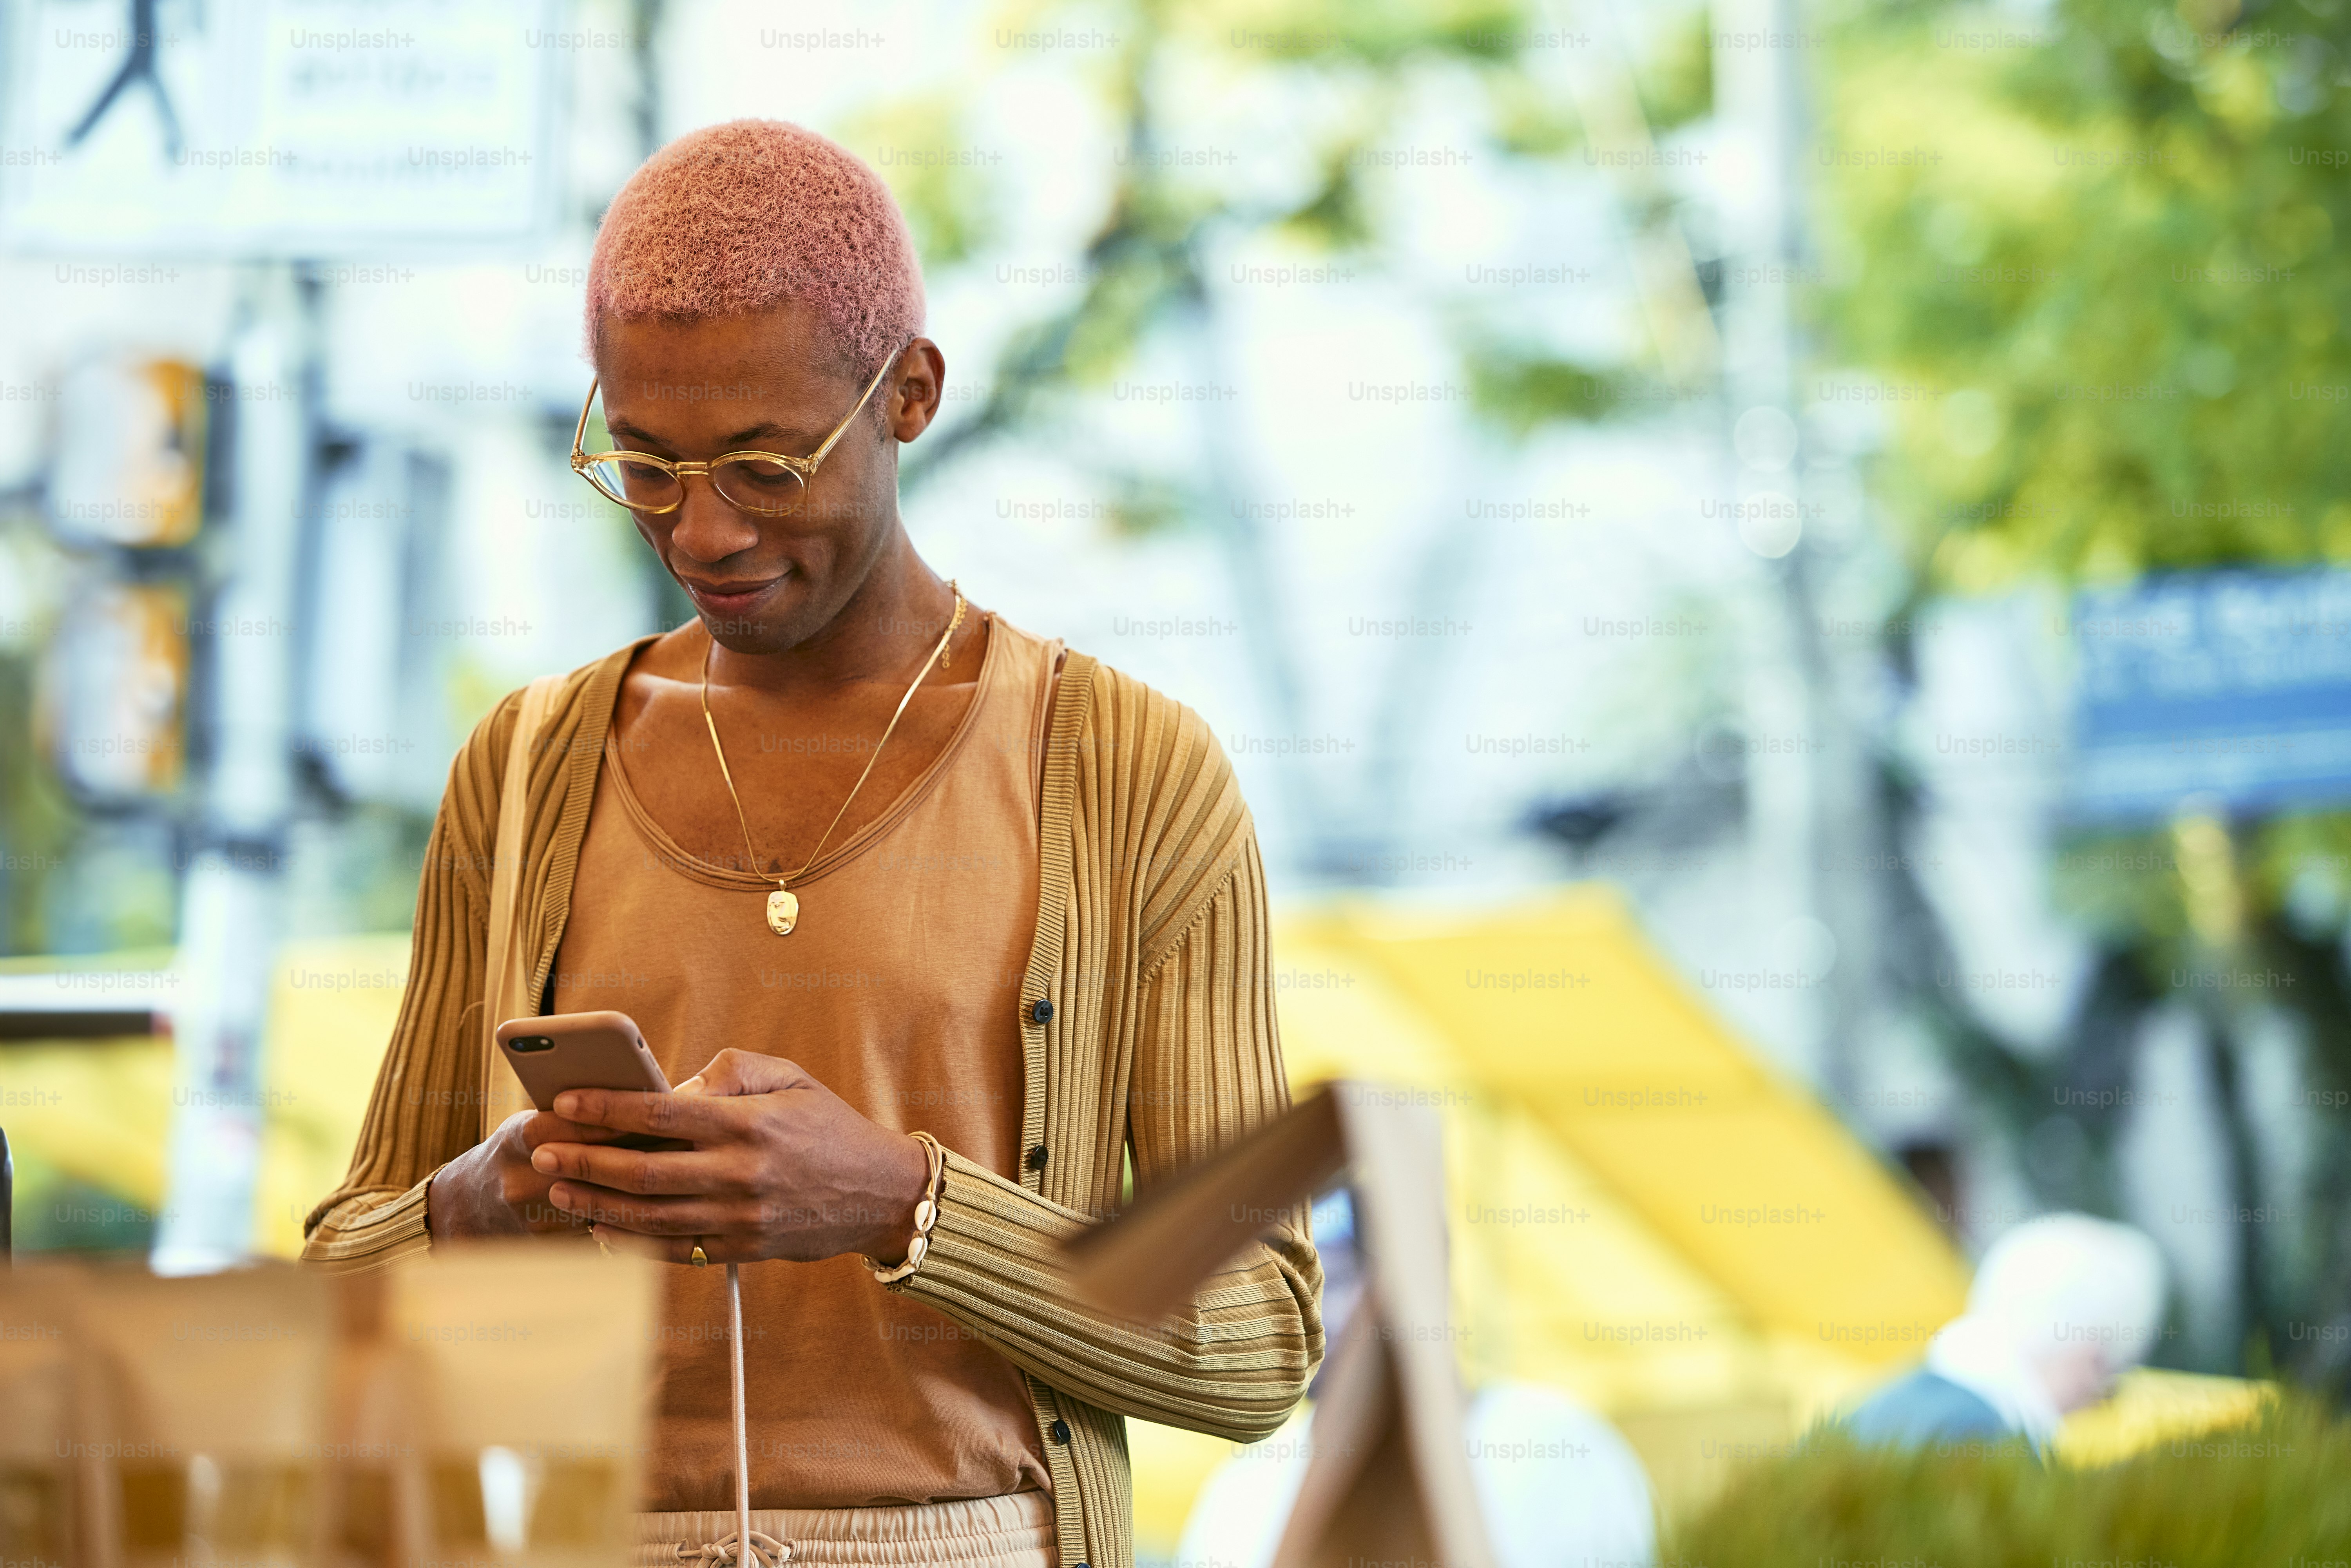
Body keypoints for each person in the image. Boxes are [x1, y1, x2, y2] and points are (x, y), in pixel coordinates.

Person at [301, 118, 1321, 1568]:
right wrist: (483, 1200)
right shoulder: (526, 770)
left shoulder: (1128, 774)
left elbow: (1256, 1342)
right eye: (644, 464)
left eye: (766, 466)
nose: (701, 529)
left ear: (908, 393)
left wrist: (900, 1201)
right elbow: (336, 1285)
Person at [1175, 1191, 1656, 1568]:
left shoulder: (1558, 1445)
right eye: (1275, 1290)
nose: (1302, 1312)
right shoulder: (1244, 1490)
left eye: (1335, 1279)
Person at [1841, 1212, 2166, 1452]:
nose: (2093, 1405)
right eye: (2108, 1381)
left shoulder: (1876, 1409)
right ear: (2088, 1355)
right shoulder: (1994, 1445)